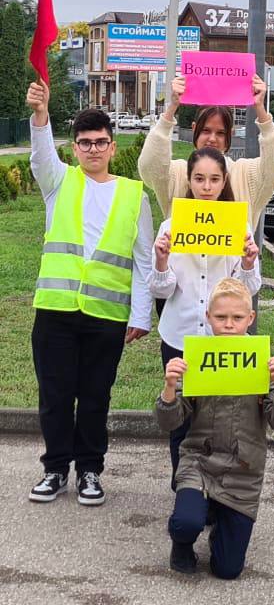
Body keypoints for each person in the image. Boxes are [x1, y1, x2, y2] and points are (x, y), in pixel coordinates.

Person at [25, 80, 152, 506]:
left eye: (100, 142)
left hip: (106, 315)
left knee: (96, 398)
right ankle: (56, 468)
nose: (93, 150)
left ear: (113, 147)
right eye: (84, 143)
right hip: (56, 311)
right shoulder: (59, 183)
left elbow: (143, 261)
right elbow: (41, 157)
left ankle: (91, 471)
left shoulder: (135, 195)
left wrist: (140, 315)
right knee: (56, 396)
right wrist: (41, 116)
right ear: (75, 148)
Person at [156, 277, 274, 579]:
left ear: (251, 318)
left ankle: (223, 519)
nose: (229, 324)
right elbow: (169, 421)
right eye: (221, 317)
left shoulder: (262, 362)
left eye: (237, 318)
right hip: (199, 462)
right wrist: (170, 388)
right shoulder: (196, 358)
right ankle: (182, 542)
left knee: (227, 570)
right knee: (186, 522)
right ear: (208, 318)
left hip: (243, 470)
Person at [149, 147, 262, 487]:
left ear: (224, 181)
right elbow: (160, 290)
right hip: (179, 336)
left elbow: (249, 287)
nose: (207, 186)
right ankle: (183, 488)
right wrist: (162, 261)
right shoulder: (170, 226)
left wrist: (247, 260)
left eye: (214, 179)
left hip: (223, 339)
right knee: (180, 419)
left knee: (218, 420)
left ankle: (217, 491)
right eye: (199, 178)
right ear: (189, 180)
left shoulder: (237, 226)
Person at [138, 73, 274, 222]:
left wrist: (260, 109)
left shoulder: (246, 174)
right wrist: (172, 108)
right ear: (194, 129)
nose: (212, 139)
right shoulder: (177, 173)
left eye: (221, 133)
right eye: (206, 131)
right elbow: (150, 168)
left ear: (230, 134)